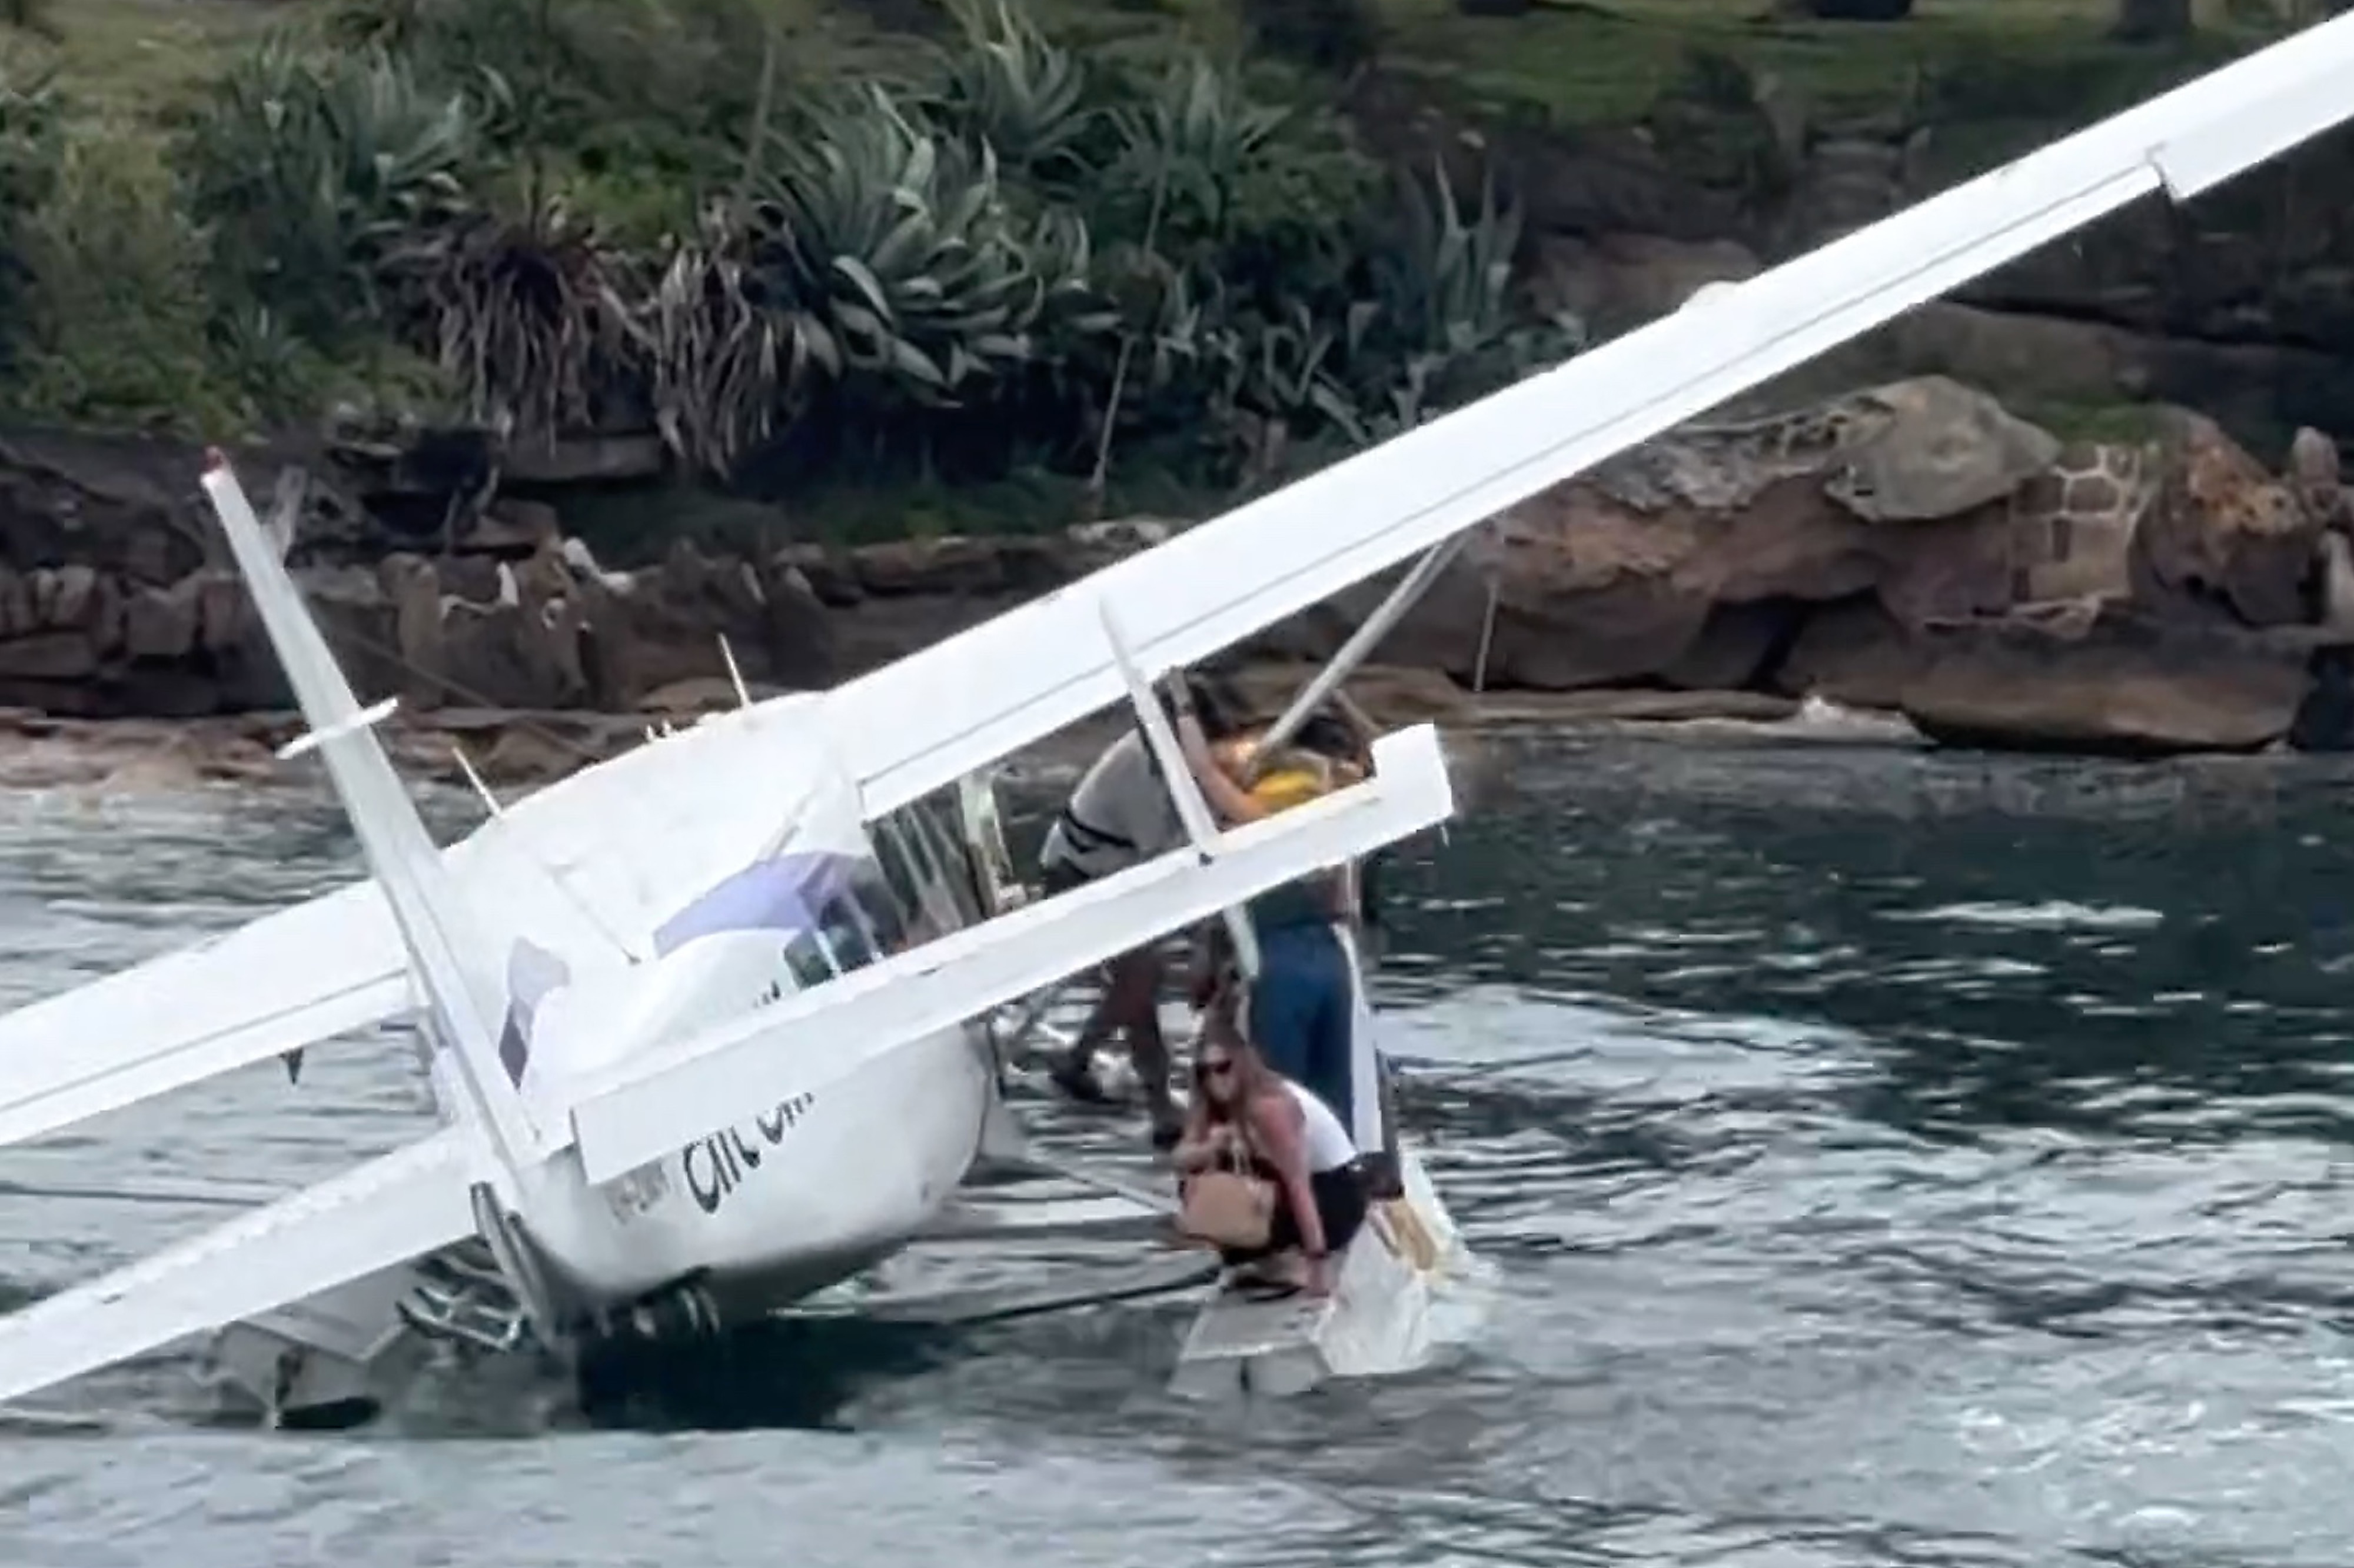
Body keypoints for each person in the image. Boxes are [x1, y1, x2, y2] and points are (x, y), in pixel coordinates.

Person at [1039, 673, 1245, 1147]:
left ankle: (1078, 1059)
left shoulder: (1175, 765)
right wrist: (1202, 945)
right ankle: (1158, 1106)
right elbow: (1173, 860)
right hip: (1078, 876)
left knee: (1151, 971)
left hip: (1124, 875)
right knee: (1141, 976)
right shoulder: (1138, 769)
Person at [1172, 698, 1361, 1134]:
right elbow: (1374, 757)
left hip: (1278, 956)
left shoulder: (1268, 822)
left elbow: (1204, 771)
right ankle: (1342, 1175)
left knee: (1279, 1088)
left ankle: (1284, 1180)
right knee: (1332, 1090)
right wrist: (1345, 704)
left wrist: (1181, 704)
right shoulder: (1337, 797)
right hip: (1330, 954)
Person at [1173, 1012, 1368, 1299]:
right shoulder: (1210, 1105)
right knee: (1198, 1182)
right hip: (1290, 1191)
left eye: (1223, 1068)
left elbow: (1298, 1186)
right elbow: (1180, 1159)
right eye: (1205, 1072)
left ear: (1242, 1064)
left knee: (1240, 1179)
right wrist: (1211, 1147)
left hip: (1333, 1193)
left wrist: (1318, 1267)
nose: (1215, 1080)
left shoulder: (1270, 1107)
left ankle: (1291, 1259)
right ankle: (1267, 1255)